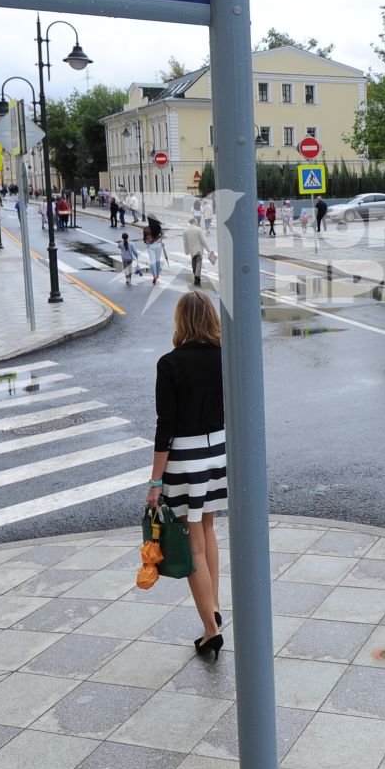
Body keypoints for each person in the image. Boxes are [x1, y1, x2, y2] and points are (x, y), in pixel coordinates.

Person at [149, 291, 229, 658]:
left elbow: (165, 426)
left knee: (191, 538)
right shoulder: (224, 357)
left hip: (184, 458)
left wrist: (154, 482)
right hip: (218, 453)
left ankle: (211, 628)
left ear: (181, 321)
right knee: (208, 529)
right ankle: (213, 606)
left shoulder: (170, 364)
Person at [181, 216, 209, 286]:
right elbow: (203, 241)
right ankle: (197, 277)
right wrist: (208, 249)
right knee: (199, 263)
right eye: (196, 221)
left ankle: (196, 276)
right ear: (194, 222)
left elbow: (185, 242)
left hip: (191, 250)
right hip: (198, 249)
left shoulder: (185, 231)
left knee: (194, 263)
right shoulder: (199, 230)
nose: (197, 222)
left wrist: (186, 251)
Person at [142, 218, 167, 283]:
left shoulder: (146, 228)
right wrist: (159, 240)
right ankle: (158, 274)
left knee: (152, 260)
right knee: (157, 259)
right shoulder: (158, 227)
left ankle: (154, 275)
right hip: (158, 245)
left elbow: (144, 238)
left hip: (150, 245)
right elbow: (163, 235)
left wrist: (147, 241)